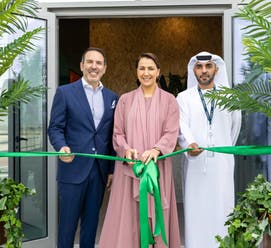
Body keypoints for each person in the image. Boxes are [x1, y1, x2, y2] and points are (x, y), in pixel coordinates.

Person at [99, 53, 181, 248]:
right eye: (142, 68)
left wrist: (156, 149)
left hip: (157, 169)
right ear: (136, 72)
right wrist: (125, 150)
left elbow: (171, 132)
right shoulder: (125, 100)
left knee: (156, 210)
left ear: (158, 72)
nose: (146, 73)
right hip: (129, 170)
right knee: (128, 218)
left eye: (151, 68)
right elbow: (117, 133)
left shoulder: (170, 101)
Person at [48, 47, 118, 248]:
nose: (94, 66)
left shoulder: (113, 98)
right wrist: (61, 147)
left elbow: (112, 135)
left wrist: (111, 170)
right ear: (81, 66)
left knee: (90, 227)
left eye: (98, 63)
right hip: (72, 170)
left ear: (104, 68)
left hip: (98, 172)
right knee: (67, 228)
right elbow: (55, 128)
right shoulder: (65, 93)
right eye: (89, 62)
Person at [176, 51, 242, 248]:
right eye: (199, 67)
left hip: (222, 166)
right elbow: (181, 127)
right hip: (195, 166)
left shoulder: (230, 98)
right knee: (196, 212)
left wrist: (223, 152)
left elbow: (235, 127)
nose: (204, 71)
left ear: (216, 69)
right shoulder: (184, 97)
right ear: (193, 70)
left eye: (208, 66)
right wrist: (190, 144)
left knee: (222, 210)